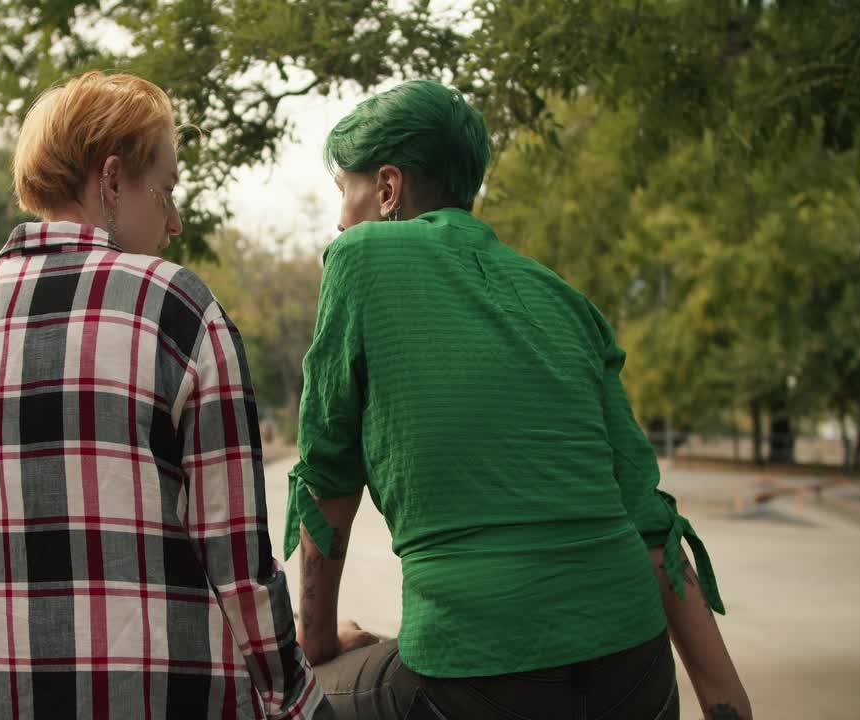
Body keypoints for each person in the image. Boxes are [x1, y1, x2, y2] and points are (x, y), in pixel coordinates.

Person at [286, 80, 751, 720]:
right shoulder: (563, 298)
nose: (340, 216)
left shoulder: (360, 256)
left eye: (346, 190)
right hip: (635, 666)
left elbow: (329, 472)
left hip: (476, 669)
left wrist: (314, 642)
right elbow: (647, 518)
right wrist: (725, 700)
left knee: (295, 694)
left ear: (388, 189)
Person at [0, 71, 327, 720]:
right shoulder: (179, 307)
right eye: (166, 189)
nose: (176, 221)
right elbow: (238, 565)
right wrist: (296, 701)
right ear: (109, 180)